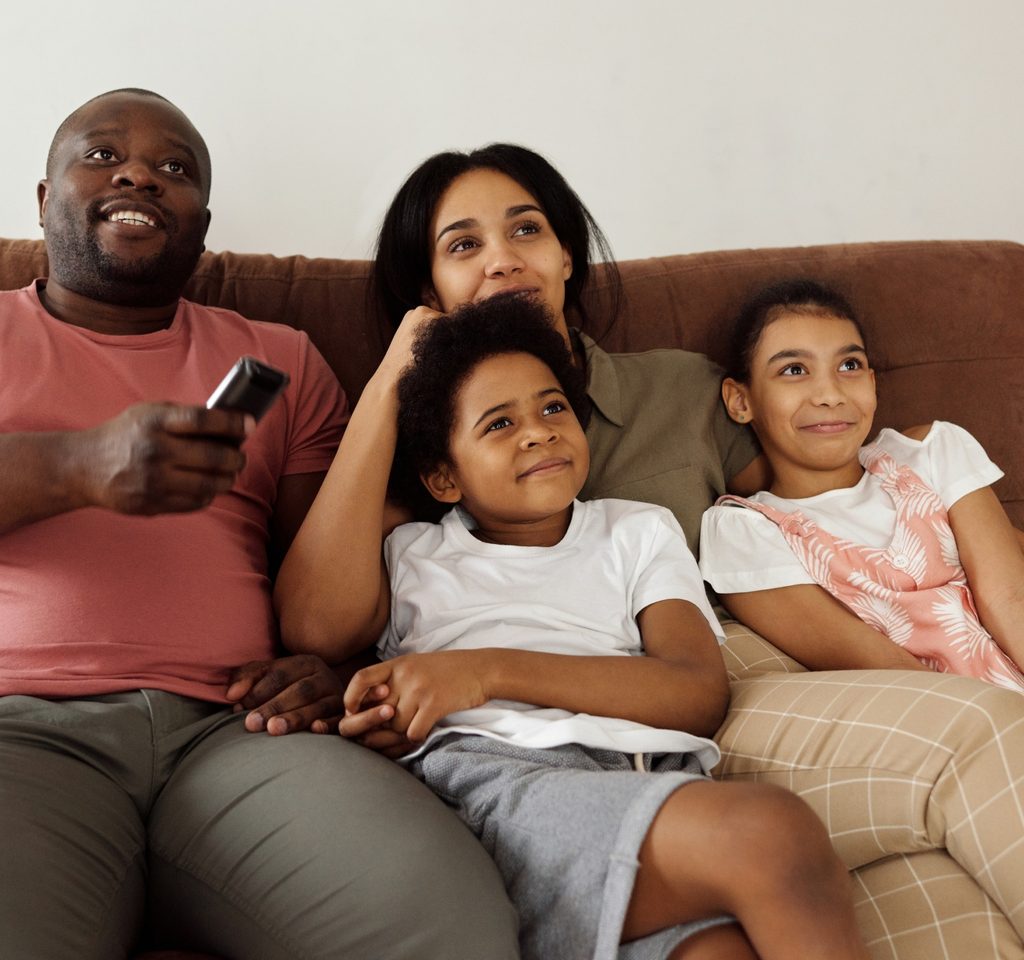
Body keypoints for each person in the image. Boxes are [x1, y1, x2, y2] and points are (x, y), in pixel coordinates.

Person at [275, 142, 1024, 954]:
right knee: (948, 787)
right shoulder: (421, 481)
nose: (502, 261)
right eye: (464, 246)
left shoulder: (682, 391)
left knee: (951, 896)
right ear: (429, 291)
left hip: (735, 667)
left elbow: (826, 486)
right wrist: (395, 374)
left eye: (525, 229)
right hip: (573, 746)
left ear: (566, 252)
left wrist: (940, 478)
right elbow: (322, 625)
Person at [0, 89, 517, 960]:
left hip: (242, 733)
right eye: (100, 156)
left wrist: (334, 667)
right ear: (44, 201)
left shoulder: (279, 358)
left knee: (446, 929)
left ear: (203, 228)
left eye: (176, 170)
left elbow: (324, 575)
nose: (139, 174)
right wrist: (76, 466)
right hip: (23, 730)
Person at [338, 291, 870, 960]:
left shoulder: (636, 530)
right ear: (444, 476)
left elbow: (697, 694)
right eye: (498, 425)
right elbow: (315, 627)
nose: (538, 431)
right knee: (770, 833)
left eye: (553, 407)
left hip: (646, 775)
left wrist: (485, 671)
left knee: (718, 952)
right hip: (500, 786)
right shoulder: (412, 551)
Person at [696, 278, 1024, 688]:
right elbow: (889, 672)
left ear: (872, 382)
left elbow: (1009, 599)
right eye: (794, 370)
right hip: (959, 720)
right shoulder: (744, 532)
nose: (830, 394)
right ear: (741, 401)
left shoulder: (931, 452)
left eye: (848, 366)